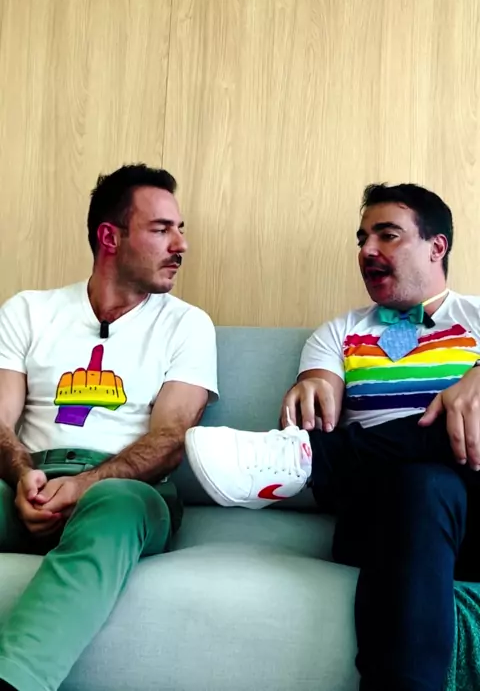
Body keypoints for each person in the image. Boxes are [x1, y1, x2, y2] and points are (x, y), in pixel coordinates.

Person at [186, 182, 480, 691]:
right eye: (363, 239)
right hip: (383, 516)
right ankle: (308, 450)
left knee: (444, 454)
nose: (367, 250)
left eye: (387, 235)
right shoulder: (338, 333)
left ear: (437, 246)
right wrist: (312, 391)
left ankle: (307, 460)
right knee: (421, 485)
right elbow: (320, 385)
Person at [0, 164, 217, 691]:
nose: (181, 245)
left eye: (179, 229)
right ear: (110, 237)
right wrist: (22, 475)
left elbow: (170, 439)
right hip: (29, 480)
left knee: (114, 504)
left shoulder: (186, 324)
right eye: (162, 229)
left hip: (128, 492)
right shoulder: (29, 311)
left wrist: (85, 484)